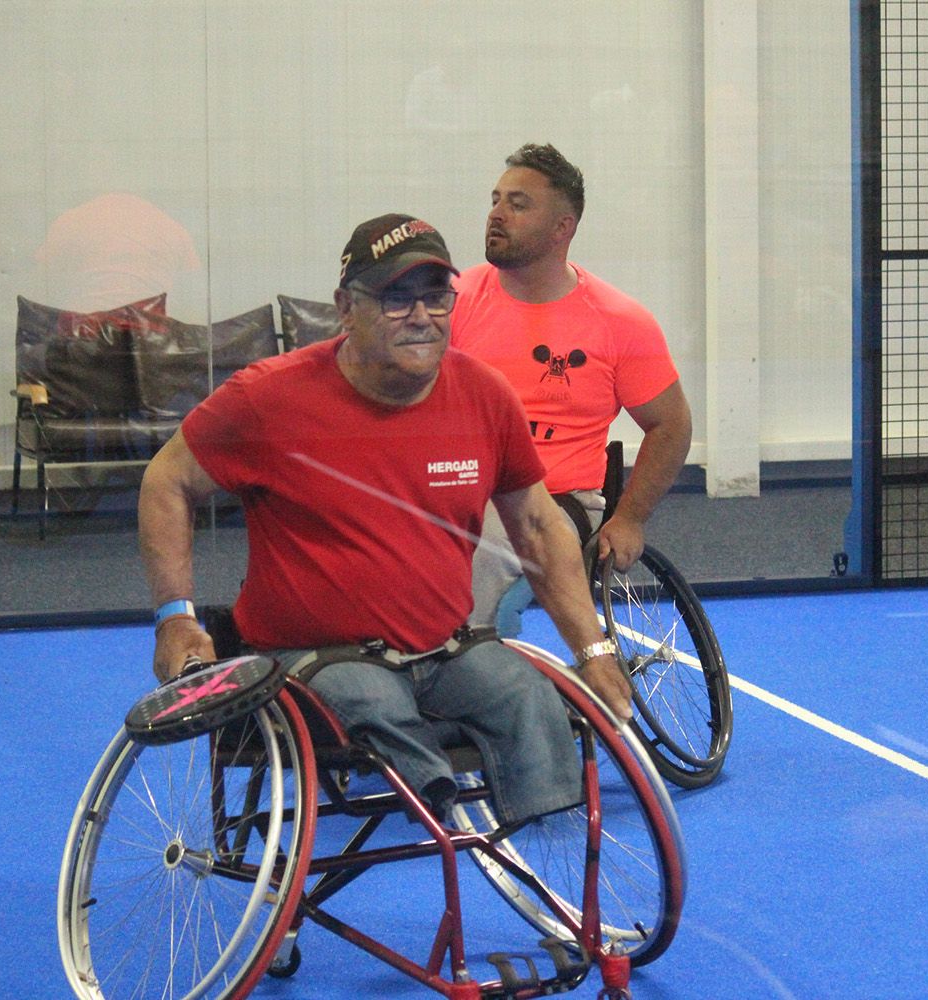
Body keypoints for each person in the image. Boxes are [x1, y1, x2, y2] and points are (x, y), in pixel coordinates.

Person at [137, 213, 631, 824]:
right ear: (346, 307)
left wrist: (594, 648)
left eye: (434, 297)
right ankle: (438, 807)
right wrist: (174, 619)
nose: (421, 316)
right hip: (313, 659)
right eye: (397, 299)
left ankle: (549, 847)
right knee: (370, 700)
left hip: (446, 651)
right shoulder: (269, 398)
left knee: (530, 696)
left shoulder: (484, 394)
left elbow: (537, 525)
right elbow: (168, 479)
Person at [450, 143, 693, 635]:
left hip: (557, 501)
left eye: (518, 204)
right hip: (456, 485)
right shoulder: (454, 300)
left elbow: (671, 424)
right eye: (495, 200)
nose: (496, 214)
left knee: (476, 558)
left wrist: (630, 519)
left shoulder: (619, 322)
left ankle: (474, 684)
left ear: (563, 228)